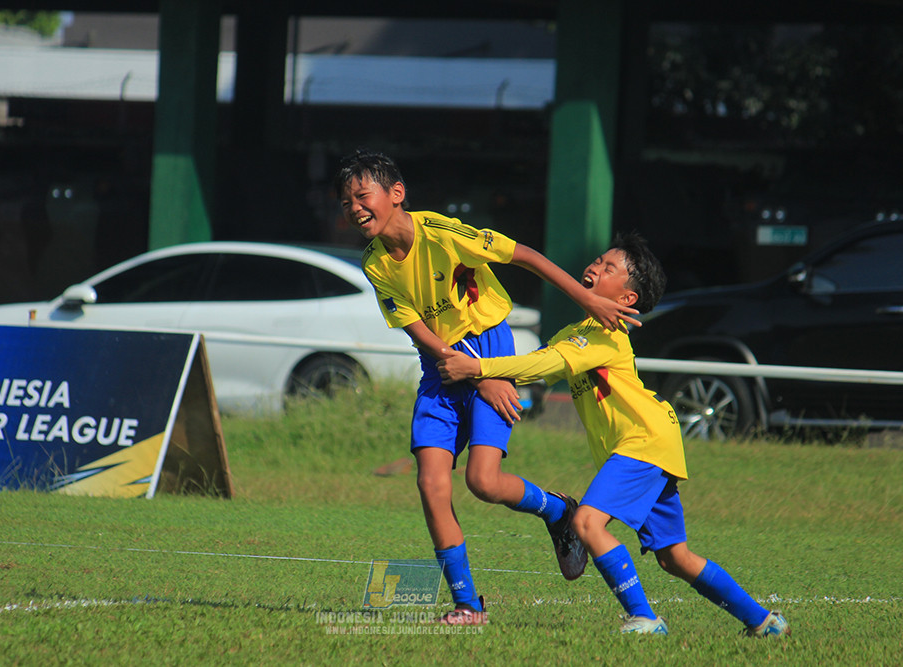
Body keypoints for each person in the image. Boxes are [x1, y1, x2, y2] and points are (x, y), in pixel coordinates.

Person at [334, 149, 641, 625]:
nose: (353, 207)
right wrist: (462, 369)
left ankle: (558, 512)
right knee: (431, 483)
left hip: (490, 348)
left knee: (483, 481)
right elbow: (418, 329)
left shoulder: (441, 231)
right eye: (346, 200)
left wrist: (582, 300)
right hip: (440, 364)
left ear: (396, 195)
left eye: (361, 195)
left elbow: (527, 257)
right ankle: (467, 605)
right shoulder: (375, 262)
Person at [436, 232, 791, 637]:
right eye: (598, 260)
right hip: (651, 444)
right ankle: (764, 623)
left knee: (587, 522)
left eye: (609, 268)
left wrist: (477, 369)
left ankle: (645, 619)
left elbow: (546, 361)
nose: (595, 267)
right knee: (675, 557)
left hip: (643, 441)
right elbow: (542, 370)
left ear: (627, 300)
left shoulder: (603, 334)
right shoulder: (580, 329)